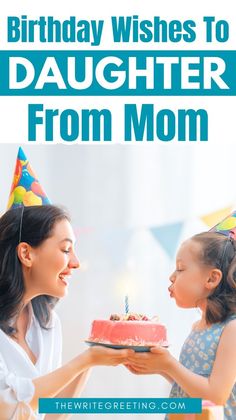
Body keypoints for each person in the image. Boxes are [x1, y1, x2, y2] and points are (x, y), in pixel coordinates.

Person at [0, 205, 132, 419]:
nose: (76, 263)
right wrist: (86, 360)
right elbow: (8, 405)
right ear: (26, 253)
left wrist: (95, 355)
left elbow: (50, 413)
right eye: (65, 249)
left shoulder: (47, 322)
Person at [126, 232, 236, 419]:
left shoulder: (232, 329)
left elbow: (215, 397)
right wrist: (159, 367)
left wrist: (169, 365)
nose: (171, 277)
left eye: (180, 268)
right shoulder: (198, 326)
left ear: (211, 279)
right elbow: (193, 384)